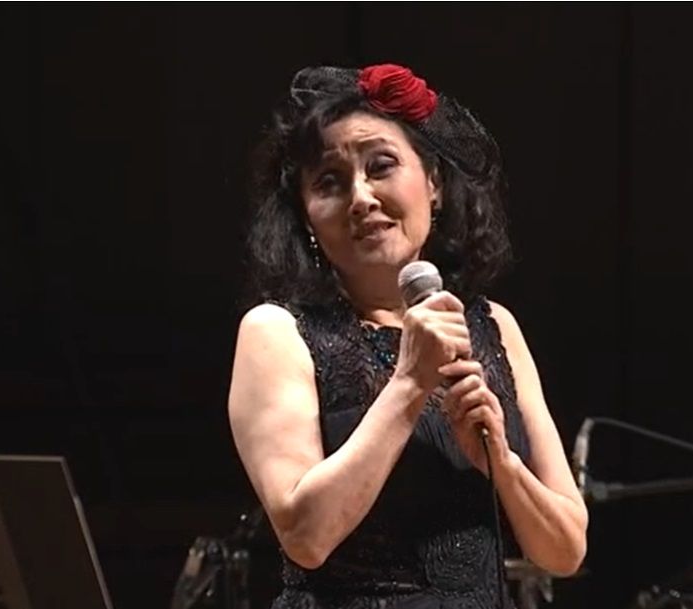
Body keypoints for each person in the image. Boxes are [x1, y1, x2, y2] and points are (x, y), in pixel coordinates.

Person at [227, 64, 587, 609]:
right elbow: (305, 537)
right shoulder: (276, 332)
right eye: (329, 182)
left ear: (434, 184)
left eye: (382, 166)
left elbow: (565, 551)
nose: (361, 197)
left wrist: (502, 465)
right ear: (306, 217)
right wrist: (410, 384)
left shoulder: (494, 325)